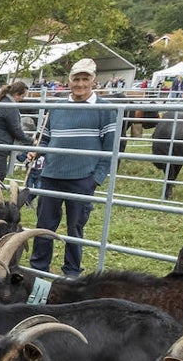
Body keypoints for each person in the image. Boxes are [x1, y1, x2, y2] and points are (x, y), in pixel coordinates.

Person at [27, 58, 118, 278]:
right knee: (44, 225)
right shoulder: (57, 107)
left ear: (93, 81)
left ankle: (72, 271)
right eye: (76, 79)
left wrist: (95, 179)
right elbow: (46, 139)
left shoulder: (105, 110)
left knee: (75, 228)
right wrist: (37, 150)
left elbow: (110, 148)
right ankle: (39, 268)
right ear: (69, 82)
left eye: (85, 79)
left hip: (82, 178)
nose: (80, 83)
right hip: (51, 174)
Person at [0, 80, 32, 182]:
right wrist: (30, 141)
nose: (22, 99)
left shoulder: (2, 101)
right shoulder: (10, 106)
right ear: (17, 94)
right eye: (23, 96)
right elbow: (16, 129)